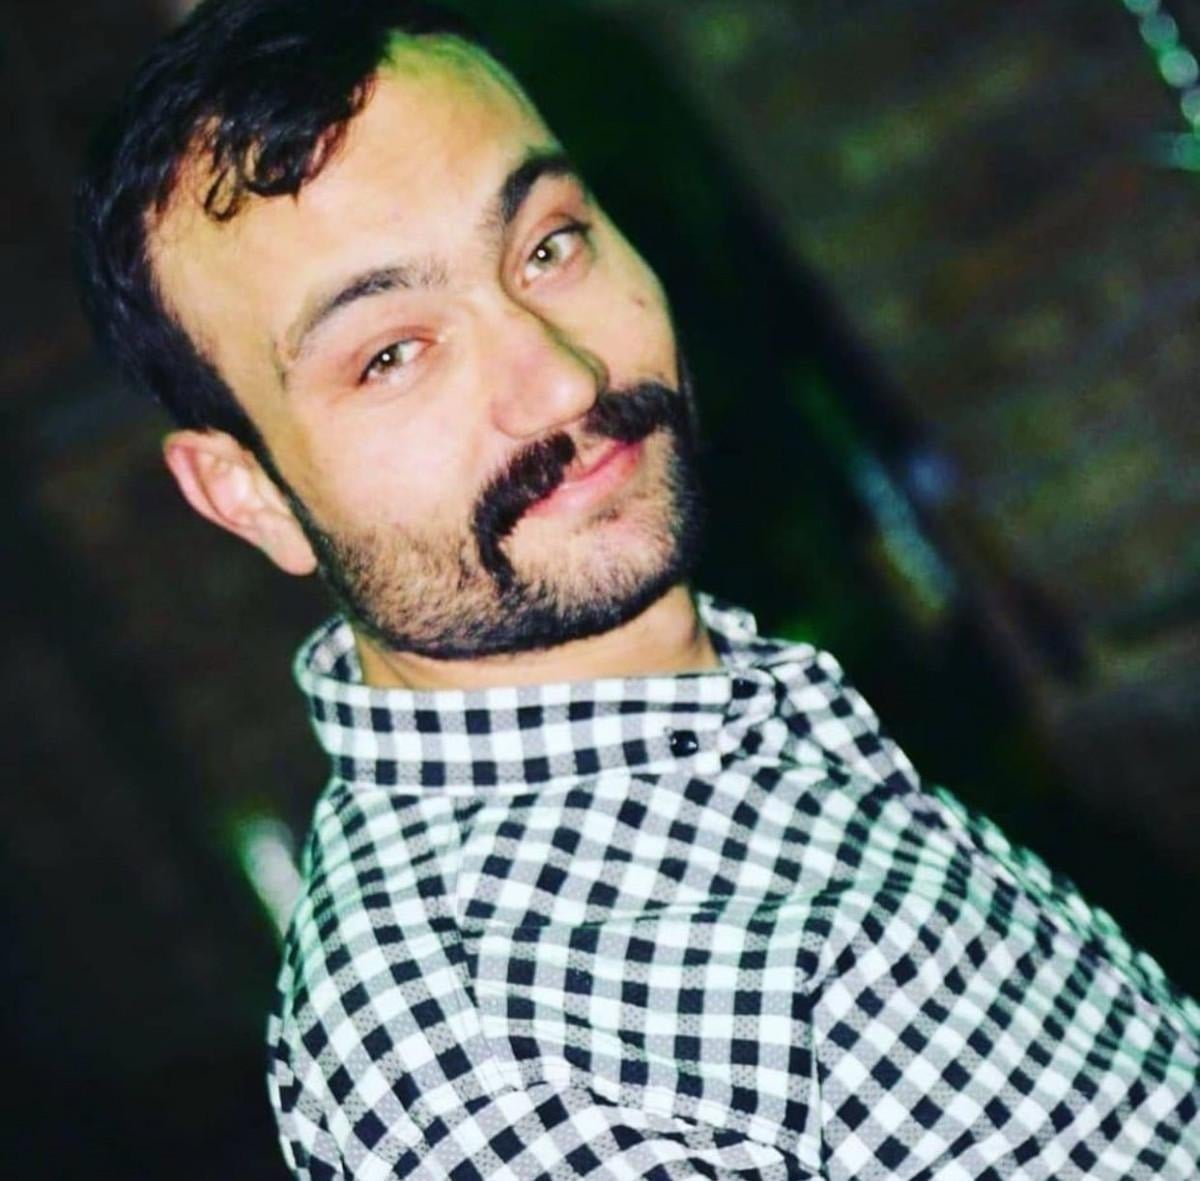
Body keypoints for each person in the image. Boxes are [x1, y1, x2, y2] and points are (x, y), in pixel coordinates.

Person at [76, 1, 1199, 1177]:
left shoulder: (710, 708)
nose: (562, 381)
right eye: (391, 354)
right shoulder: (471, 1053)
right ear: (248, 493)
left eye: (547, 246)